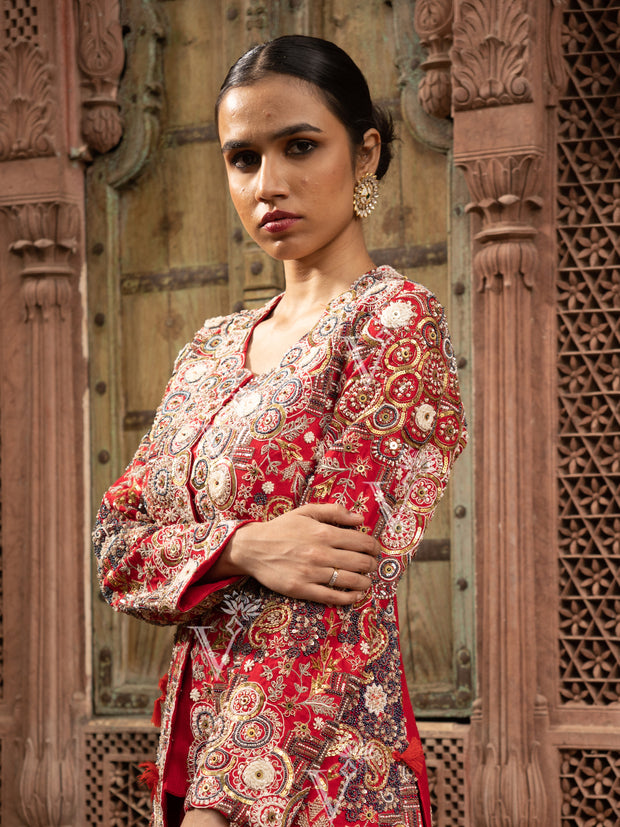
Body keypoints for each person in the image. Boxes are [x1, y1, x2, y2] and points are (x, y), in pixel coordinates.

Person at [93, 34, 467, 827]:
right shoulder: (209, 349)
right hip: (191, 745)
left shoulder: (390, 324)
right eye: (243, 158)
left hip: (315, 763)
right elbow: (116, 544)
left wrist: (224, 811)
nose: (270, 184)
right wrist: (243, 547)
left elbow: (331, 596)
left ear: (365, 154)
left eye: (300, 147)